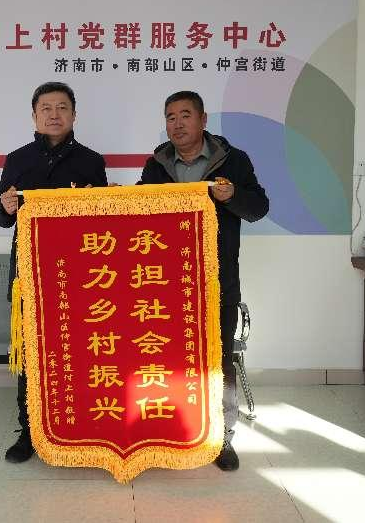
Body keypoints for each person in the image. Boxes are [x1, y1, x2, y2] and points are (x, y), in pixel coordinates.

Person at [138, 90, 269, 471]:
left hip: (218, 281)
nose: (177, 124)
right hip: (165, 283)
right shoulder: (156, 164)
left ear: (203, 120)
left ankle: (223, 437)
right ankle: (172, 430)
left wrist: (232, 196)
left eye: (185, 115)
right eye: (170, 117)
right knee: (166, 358)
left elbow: (258, 208)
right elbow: (141, 211)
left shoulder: (234, 160)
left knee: (218, 360)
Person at [0, 81, 108, 463]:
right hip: (30, 273)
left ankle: (80, 426)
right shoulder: (17, 159)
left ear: (74, 115)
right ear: (34, 116)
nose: (54, 114)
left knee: (78, 352)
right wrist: (6, 206)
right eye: (46, 108)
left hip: (79, 275)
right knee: (31, 355)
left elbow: (104, 222)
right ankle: (28, 431)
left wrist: (96, 202)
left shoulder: (92, 161)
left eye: (62, 107)